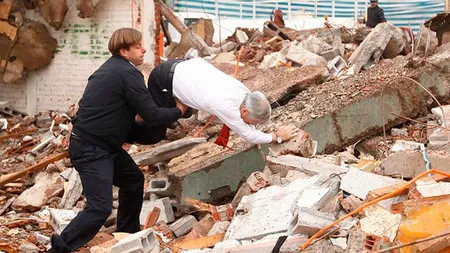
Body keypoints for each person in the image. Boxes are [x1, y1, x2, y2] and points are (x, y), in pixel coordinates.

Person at [48, 28, 187, 253]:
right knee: (99, 208)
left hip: (102, 145)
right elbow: (151, 114)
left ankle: (126, 236)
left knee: (132, 180)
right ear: (124, 51)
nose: (144, 49)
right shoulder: (126, 73)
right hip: (91, 148)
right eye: (138, 47)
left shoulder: (114, 69)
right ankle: (58, 250)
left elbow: (124, 118)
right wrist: (178, 111)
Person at [146, 58, 298, 146]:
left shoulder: (245, 93)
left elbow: (249, 126)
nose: (254, 125)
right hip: (162, 78)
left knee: (186, 113)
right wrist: (276, 137)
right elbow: (249, 136)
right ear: (243, 111)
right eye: (254, 122)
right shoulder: (226, 105)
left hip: (185, 68)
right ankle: (139, 115)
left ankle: (174, 110)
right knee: (157, 131)